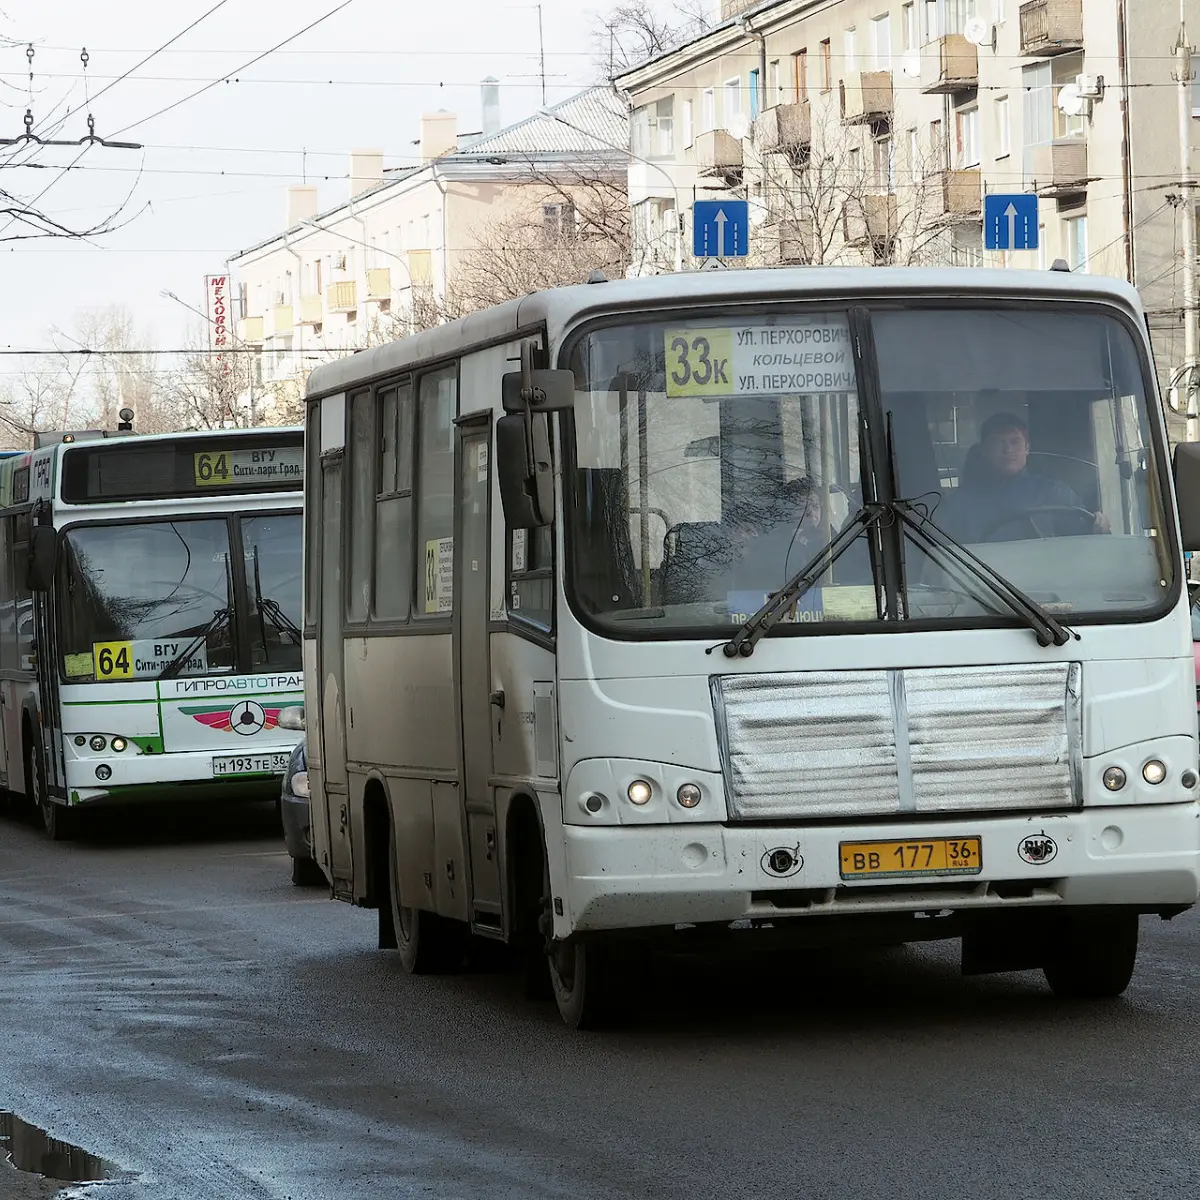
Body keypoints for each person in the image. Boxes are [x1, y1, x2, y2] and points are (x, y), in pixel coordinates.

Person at [948, 412, 1111, 542]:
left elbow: (1086, 544)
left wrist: (1099, 528)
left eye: (1015, 442)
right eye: (998, 442)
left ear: (1027, 448)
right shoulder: (960, 503)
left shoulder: (1054, 493)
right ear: (984, 451)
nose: (1008, 450)